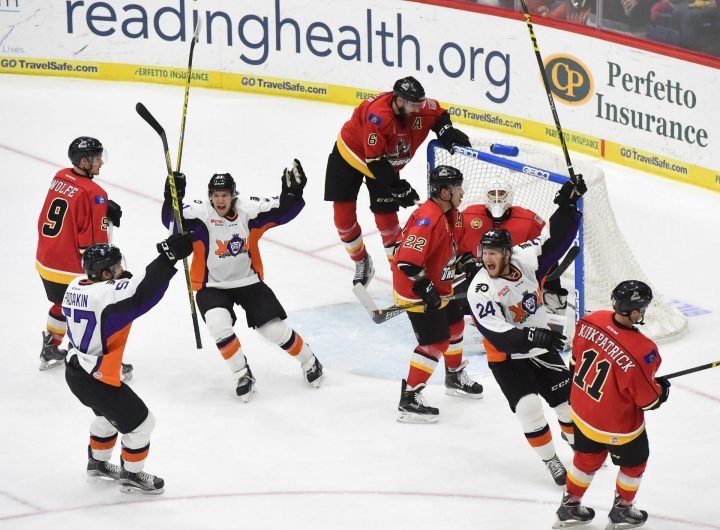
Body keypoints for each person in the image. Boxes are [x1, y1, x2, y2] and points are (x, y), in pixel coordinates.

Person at [161, 161, 323, 401]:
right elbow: (171, 222)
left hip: (248, 282)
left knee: (273, 330)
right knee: (218, 324)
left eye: (225, 195)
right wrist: (170, 196)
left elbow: (282, 210)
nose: (220, 200)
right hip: (212, 286)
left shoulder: (248, 210)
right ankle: (241, 373)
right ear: (210, 197)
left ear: (233, 195)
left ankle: (310, 361)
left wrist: (293, 194)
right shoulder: (199, 215)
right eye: (216, 195)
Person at [466, 175, 587, 485]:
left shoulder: (525, 259)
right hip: (506, 358)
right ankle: (551, 460)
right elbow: (499, 335)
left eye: (494, 254)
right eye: (485, 254)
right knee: (529, 408)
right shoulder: (480, 289)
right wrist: (534, 335)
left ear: (508, 253)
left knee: (568, 407)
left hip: (542, 348)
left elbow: (555, 241)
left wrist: (568, 205)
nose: (488, 259)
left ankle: (578, 444)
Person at [63, 233, 194, 495]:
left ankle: (97, 462)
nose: (121, 269)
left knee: (106, 416)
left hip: (76, 371)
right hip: (97, 378)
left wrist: (121, 276)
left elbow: (118, 286)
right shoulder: (106, 296)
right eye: (116, 267)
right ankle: (132, 475)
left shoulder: (75, 286)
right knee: (142, 424)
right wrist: (167, 259)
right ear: (104, 274)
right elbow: (141, 294)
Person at [324, 76, 471, 288]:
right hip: (352, 155)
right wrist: (398, 187)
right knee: (343, 220)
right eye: (413, 104)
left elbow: (439, 115)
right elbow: (374, 161)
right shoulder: (378, 116)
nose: (418, 108)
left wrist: (446, 131)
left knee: (388, 222)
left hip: (384, 164)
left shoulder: (422, 108)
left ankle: (400, 275)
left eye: (420, 103)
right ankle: (362, 263)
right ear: (399, 100)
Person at [553, 280, 669, 529]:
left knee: (586, 459)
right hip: (617, 426)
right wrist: (662, 390)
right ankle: (623, 510)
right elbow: (648, 401)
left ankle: (569, 506)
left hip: (582, 412)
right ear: (635, 311)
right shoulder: (643, 351)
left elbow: (574, 364)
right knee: (635, 462)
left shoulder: (590, 321)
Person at [392, 165, 484, 424]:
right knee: (436, 342)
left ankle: (454, 376)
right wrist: (425, 287)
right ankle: (409, 398)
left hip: (441, 285)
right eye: (457, 188)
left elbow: (460, 247)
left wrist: (468, 263)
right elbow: (407, 262)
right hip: (415, 290)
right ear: (445, 192)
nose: (462, 192)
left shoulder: (453, 215)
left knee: (455, 325)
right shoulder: (427, 218)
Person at [35, 136, 131, 380]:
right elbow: (92, 246)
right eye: (97, 158)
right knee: (97, 309)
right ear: (85, 161)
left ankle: (50, 347)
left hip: (46, 261)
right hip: (68, 267)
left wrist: (102, 207)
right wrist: (105, 270)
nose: (101, 162)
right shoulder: (95, 193)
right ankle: (102, 363)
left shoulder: (60, 176)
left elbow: (72, 204)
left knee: (60, 303)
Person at [458, 177, 569, 314]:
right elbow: (452, 243)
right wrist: (465, 264)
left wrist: (552, 287)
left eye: (501, 194)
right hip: (479, 278)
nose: (497, 199)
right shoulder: (468, 216)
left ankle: (552, 298)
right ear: (485, 196)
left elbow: (547, 247)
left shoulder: (528, 220)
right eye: (492, 194)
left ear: (509, 195)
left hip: (515, 279)